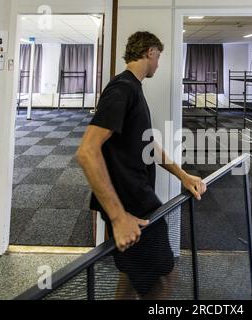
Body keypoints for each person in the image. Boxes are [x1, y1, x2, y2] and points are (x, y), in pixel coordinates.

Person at [76, 31, 207, 298]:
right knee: (164, 277)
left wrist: (182, 174)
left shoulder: (133, 88)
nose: (159, 64)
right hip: (131, 205)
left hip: (135, 198)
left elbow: (147, 145)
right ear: (150, 52)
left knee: (130, 276)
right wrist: (118, 217)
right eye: (159, 57)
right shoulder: (122, 89)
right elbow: (87, 152)